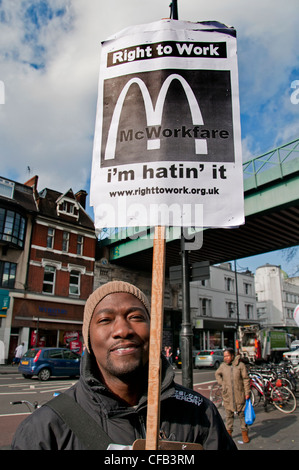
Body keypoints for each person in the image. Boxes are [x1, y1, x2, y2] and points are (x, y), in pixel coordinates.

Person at [12, 281, 237, 450]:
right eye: (105, 320)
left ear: (154, 331)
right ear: (87, 339)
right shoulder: (44, 430)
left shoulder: (201, 414)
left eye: (136, 317)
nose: (123, 330)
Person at [215, 348, 251, 443]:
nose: (226, 358)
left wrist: (247, 392)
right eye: (224, 356)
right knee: (228, 416)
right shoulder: (223, 366)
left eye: (227, 356)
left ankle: (244, 433)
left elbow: (246, 379)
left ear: (232, 356)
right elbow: (217, 374)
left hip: (239, 394)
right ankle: (229, 434)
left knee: (242, 415)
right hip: (228, 395)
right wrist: (222, 383)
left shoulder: (240, 365)